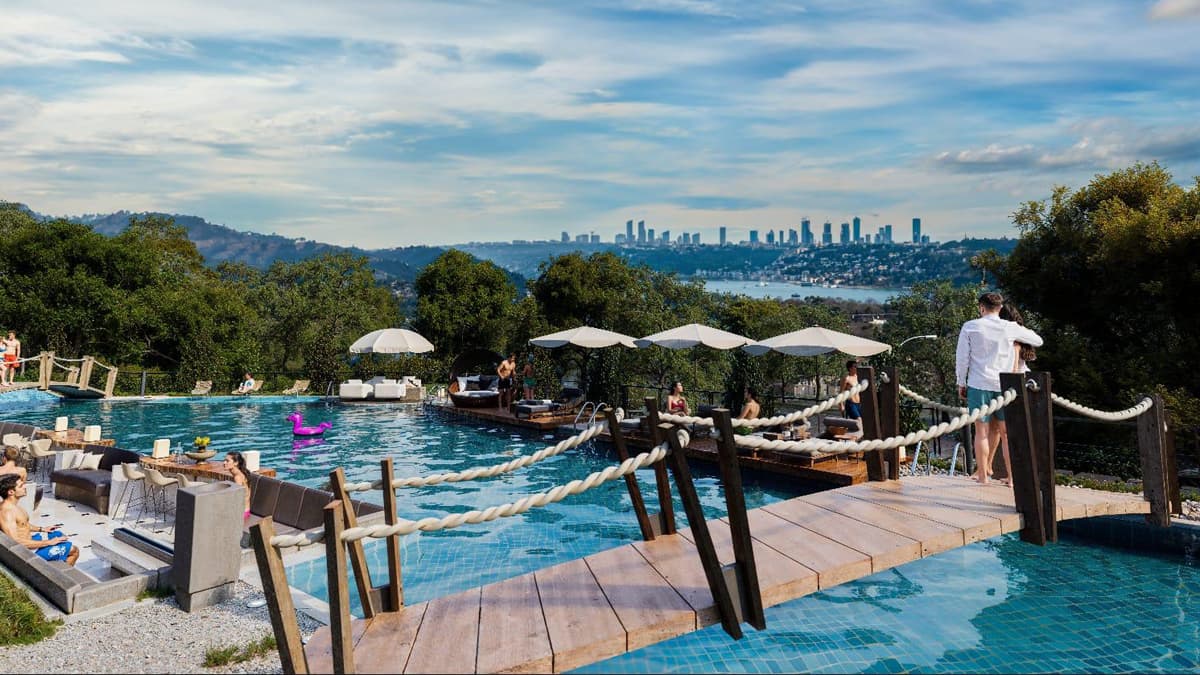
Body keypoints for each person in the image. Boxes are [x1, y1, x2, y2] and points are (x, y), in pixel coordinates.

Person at [956, 292, 1043, 486]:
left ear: (981, 307)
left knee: (981, 432)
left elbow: (962, 358)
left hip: (979, 384)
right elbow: (1038, 340)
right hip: (1005, 385)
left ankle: (983, 477)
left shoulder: (970, 326)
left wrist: (961, 382)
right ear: (1000, 308)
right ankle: (1012, 479)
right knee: (1006, 434)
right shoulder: (1009, 327)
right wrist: (1016, 337)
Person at [0, 474, 78, 566]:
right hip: (27, 553)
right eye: (21, 486)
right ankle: (57, 574)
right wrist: (48, 542)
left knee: (58, 535)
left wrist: (42, 529)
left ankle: (55, 564)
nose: (25, 487)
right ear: (11, 492)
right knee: (74, 550)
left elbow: (23, 524)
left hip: (30, 542)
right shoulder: (6, 512)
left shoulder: (13, 506)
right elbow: (15, 542)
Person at [223, 451, 251, 523]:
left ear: (236, 463)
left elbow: (238, 499)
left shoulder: (237, 477)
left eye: (227, 461)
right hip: (246, 511)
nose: (224, 463)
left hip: (241, 514)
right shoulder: (240, 473)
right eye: (224, 460)